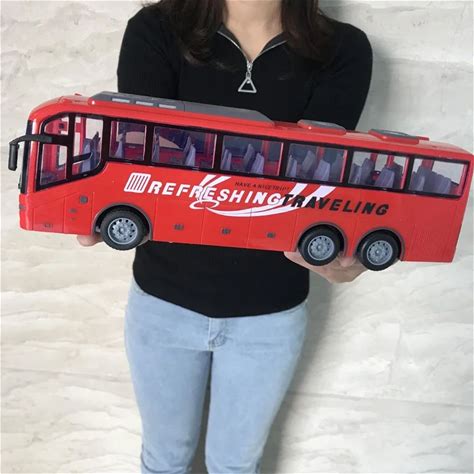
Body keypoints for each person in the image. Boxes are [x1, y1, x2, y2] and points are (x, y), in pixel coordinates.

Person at [78, 0, 373, 472]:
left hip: (270, 317)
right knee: (163, 461)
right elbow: (146, 167)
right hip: (163, 304)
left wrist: (341, 255)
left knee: (235, 466)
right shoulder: (156, 30)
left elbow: (314, 185)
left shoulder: (343, 50)